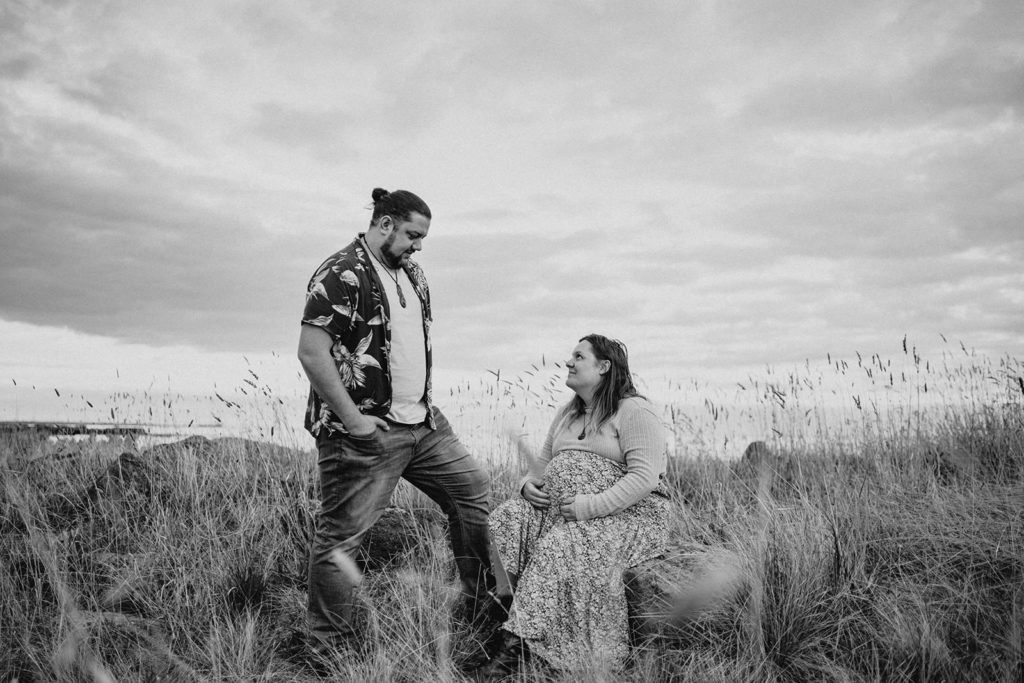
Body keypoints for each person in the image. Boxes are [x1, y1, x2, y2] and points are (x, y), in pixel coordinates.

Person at [297, 187, 494, 653]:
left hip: (424, 425)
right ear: (385, 224)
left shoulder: (414, 273)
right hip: (365, 432)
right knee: (342, 538)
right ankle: (325, 648)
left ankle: (482, 604)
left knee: (472, 491)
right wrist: (354, 419)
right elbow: (311, 352)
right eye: (412, 234)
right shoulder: (340, 272)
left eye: (422, 237)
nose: (418, 245)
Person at [480, 334, 669, 676]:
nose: (568, 362)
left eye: (578, 356)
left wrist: (589, 507)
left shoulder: (634, 411)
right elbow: (538, 467)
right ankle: (510, 610)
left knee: (562, 544)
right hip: (565, 512)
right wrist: (525, 487)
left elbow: (644, 478)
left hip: (630, 516)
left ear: (604, 366)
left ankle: (513, 649)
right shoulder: (568, 413)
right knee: (506, 517)